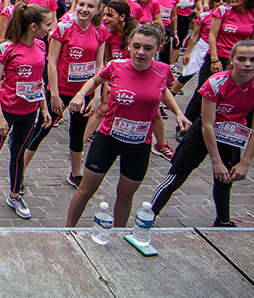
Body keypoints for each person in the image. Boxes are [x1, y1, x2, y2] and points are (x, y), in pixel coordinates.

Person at [65, 23, 191, 227]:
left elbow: (162, 90)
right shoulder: (116, 66)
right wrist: (81, 94)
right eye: (136, 46)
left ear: (158, 49)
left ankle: (118, 234)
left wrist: (178, 112)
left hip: (139, 145)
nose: (141, 52)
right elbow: (95, 80)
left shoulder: (163, 70)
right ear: (129, 45)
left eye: (148, 48)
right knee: (86, 190)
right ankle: (68, 230)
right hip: (108, 139)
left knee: (125, 195)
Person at [148, 41, 254, 227]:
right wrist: (216, 161)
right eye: (241, 59)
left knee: (225, 180)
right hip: (203, 131)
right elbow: (207, 124)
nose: (247, 64)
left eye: (253, 60)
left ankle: (223, 221)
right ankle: (148, 216)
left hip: (232, 134)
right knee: (177, 175)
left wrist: (245, 162)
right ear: (232, 60)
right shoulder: (216, 82)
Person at [0, 4, 52, 221]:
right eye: (47, 24)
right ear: (33, 26)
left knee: (18, 155)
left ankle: (15, 195)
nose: (50, 29)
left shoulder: (42, 46)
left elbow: (38, 81)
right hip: (6, 110)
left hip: (29, 111)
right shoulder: (7, 48)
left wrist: (44, 107)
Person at [17, 0, 108, 188]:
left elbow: (99, 65)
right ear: (75, 4)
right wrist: (55, 94)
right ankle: (19, 173)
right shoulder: (64, 28)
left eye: (90, 6)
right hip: (61, 90)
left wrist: (96, 96)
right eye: (81, 4)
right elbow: (52, 61)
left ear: (98, 10)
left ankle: (75, 174)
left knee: (78, 134)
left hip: (84, 92)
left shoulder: (100, 31)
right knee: (42, 129)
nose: (85, 9)